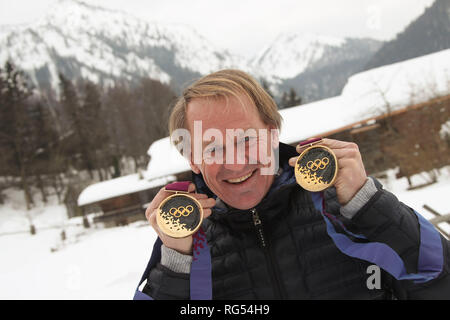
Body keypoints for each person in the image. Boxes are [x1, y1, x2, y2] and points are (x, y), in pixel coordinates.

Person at [135, 69, 450, 300]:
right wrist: (176, 263)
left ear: (272, 135)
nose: (235, 162)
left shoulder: (343, 206)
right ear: (192, 159)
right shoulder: (188, 249)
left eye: (246, 139)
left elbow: (440, 282)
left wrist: (368, 205)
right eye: (213, 147)